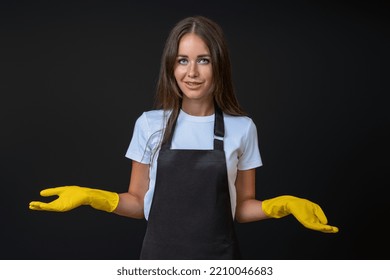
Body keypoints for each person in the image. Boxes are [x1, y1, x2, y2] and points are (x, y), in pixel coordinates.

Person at [29, 15, 339, 260]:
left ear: (219, 65)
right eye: (182, 60)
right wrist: (91, 197)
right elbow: (137, 202)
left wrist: (281, 206)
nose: (191, 72)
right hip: (158, 264)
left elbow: (241, 207)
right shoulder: (149, 125)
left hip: (221, 264)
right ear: (171, 67)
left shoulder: (242, 128)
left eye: (203, 59)